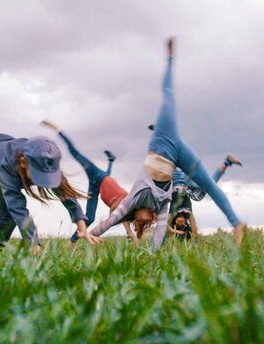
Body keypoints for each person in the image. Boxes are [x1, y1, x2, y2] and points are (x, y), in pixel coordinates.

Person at [91, 37, 246, 247]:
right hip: (177, 153)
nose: (149, 221)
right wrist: (152, 254)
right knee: (205, 187)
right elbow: (160, 232)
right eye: (148, 223)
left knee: (168, 94)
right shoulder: (161, 204)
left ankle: (236, 224)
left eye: (143, 222)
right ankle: (236, 220)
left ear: (135, 215)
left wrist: (90, 233)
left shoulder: (132, 201)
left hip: (163, 141)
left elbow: (110, 220)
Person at [40, 120, 146, 244]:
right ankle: (59, 130)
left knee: (89, 218)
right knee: (75, 153)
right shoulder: (96, 173)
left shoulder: (130, 209)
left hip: (98, 183)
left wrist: (130, 232)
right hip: (98, 181)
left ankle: (71, 242)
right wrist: (58, 130)